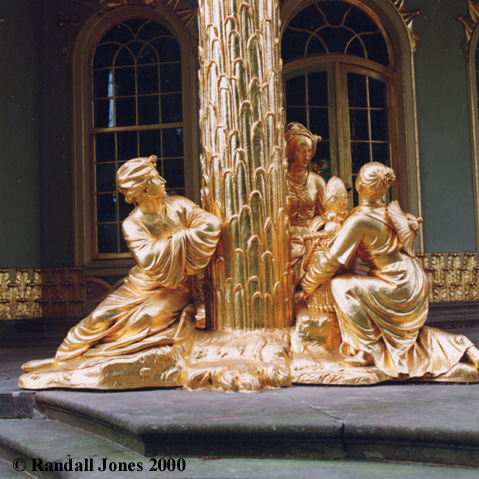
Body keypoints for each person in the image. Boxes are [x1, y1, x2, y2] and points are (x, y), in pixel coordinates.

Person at [22, 155, 221, 372]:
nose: (163, 181)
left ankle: (99, 357)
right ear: (143, 188)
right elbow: (148, 261)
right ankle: (63, 358)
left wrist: (175, 242)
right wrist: (185, 237)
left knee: (145, 318)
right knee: (98, 317)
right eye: (156, 178)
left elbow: (212, 224)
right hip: (140, 285)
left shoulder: (179, 204)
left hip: (177, 286)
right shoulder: (132, 224)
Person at [301, 161, 479, 378]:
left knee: (342, 284)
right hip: (410, 276)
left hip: (396, 282)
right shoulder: (389, 211)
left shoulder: (359, 220)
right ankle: (465, 346)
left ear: (358, 186)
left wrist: (306, 285)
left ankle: (367, 349)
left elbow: (330, 261)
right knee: (405, 339)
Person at [285, 123, 326, 284]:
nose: (306, 156)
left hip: (310, 237)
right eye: (302, 151)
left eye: (309, 151)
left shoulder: (317, 182)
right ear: (291, 152)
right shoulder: (279, 180)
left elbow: (325, 216)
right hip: (285, 237)